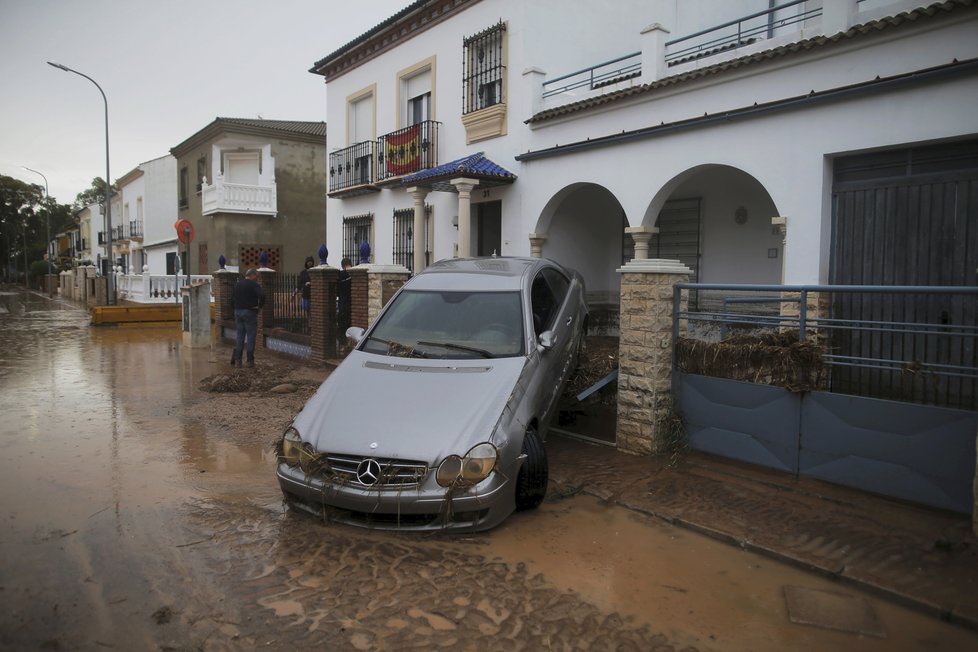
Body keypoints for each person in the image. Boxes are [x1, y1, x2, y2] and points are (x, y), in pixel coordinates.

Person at [231, 268, 265, 367]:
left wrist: (236, 308)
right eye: (257, 276)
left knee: (240, 336)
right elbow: (262, 295)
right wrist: (259, 307)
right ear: (252, 275)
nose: (257, 279)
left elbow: (231, 299)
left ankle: (238, 360)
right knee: (250, 337)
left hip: (238, 312)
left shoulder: (238, 284)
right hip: (249, 312)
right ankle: (250, 360)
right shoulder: (254, 285)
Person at [337, 257, 353, 341]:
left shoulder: (353, 274)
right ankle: (344, 341)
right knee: (344, 323)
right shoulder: (341, 275)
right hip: (344, 303)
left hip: (350, 303)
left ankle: (347, 342)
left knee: (349, 323)